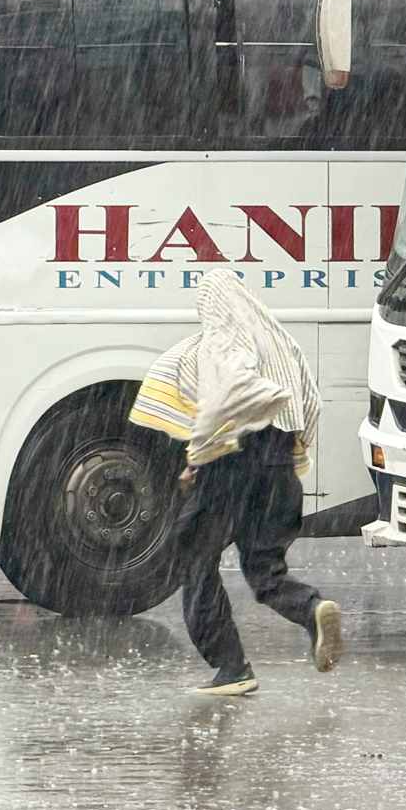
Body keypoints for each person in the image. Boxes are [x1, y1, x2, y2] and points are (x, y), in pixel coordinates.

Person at [130, 268, 343, 695]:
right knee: (265, 569)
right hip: (277, 465)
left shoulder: (222, 340)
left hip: (232, 462)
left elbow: (226, 396)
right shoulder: (282, 344)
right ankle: (312, 608)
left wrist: (198, 456)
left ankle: (232, 667)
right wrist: (288, 454)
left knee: (195, 560)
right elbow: (312, 403)